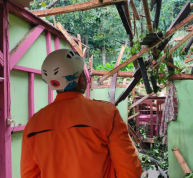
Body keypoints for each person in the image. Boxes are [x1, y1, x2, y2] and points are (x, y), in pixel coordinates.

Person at [20, 49, 142, 178]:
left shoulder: (34, 124)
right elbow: (130, 172)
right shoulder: (107, 114)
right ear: (80, 79)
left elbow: (29, 175)